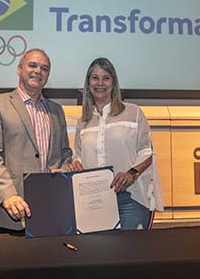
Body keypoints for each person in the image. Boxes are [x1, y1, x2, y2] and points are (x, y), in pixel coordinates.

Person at [0, 48, 72, 254]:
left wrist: (62, 171)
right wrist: (8, 195)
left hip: (48, 209)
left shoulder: (56, 110)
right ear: (19, 69)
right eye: (33, 65)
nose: (38, 71)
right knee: (7, 269)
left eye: (44, 68)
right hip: (9, 209)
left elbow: (65, 153)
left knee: (44, 267)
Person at [69, 57, 163, 229]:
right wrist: (76, 163)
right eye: (95, 77)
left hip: (130, 198)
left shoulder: (133, 112)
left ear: (114, 82)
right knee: (99, 253)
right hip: (94, 200)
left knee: (130, 254)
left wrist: (131, 174)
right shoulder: (83, 121)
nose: (100, 83)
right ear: (88, 83)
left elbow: (147, 152)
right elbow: (78, 155)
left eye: (106, 78)